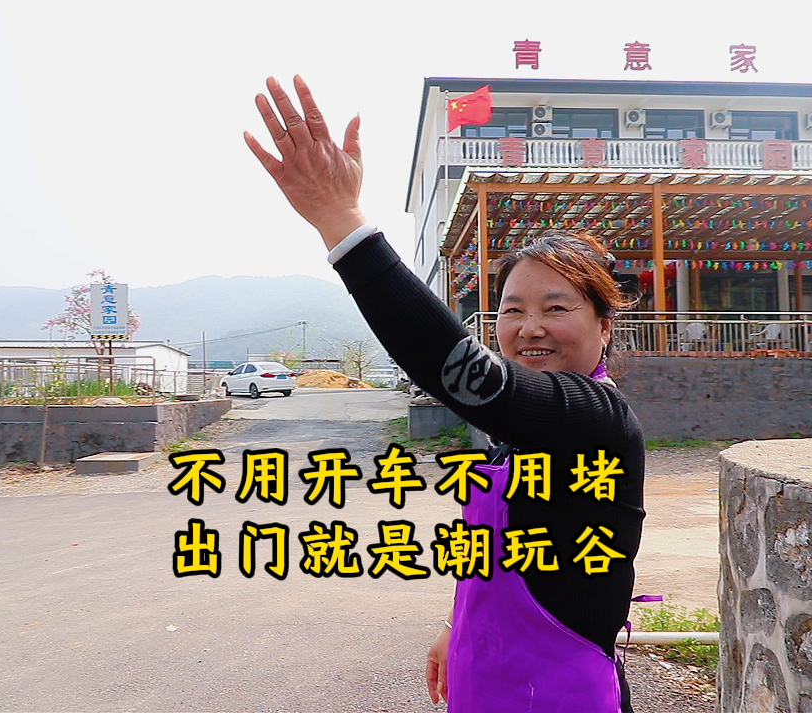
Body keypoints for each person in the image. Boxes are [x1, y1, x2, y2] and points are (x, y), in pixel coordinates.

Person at [245, 75, 645, 713]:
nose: (529, 327)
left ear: (604, 325)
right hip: (482, 676)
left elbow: (463, 374)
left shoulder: (597, 417)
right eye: (512, 310)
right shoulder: (516, 433)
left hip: (562, 695)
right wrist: (458, 623)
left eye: (556, 307)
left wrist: (340, 220)